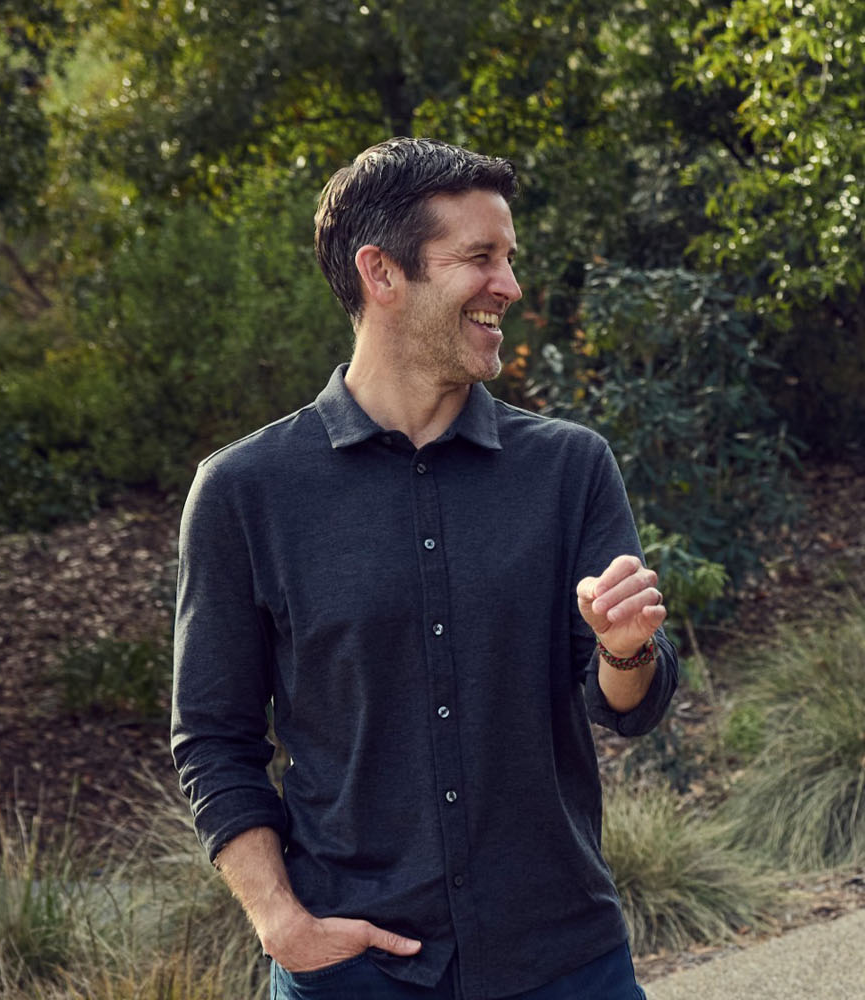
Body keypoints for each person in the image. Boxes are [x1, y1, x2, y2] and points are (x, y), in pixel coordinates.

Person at [171, 137, 678, 1000]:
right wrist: (281, 924)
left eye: (509, 259)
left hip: (563, 960)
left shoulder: (568, 467)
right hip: (351, 972)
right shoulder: (244, 491)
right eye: (479, 258)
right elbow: (213, 737)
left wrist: (624, 650)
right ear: (382, 272)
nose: (509, 287)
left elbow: (625, 708)